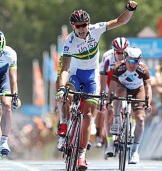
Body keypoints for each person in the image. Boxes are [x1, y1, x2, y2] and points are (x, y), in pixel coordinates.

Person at [55, 1, 138, 170]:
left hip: (92, 76)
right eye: (78, 26)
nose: (81, 28)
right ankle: (64, 123)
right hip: (75, 75)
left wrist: (130, 10)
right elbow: (64, 69)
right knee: (67, 95)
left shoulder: (96, 29)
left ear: (88, 23)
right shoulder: (69, 42)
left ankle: (81, 155)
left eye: (84, 24)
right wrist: (62, 87)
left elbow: (120, 21)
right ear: (73, 26)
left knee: (87, 116)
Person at [106, 47, 152, 164]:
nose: (132, 65)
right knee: (119, 93)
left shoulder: (143, 69)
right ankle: (116, 121)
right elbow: (112, 85)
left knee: (140, 119)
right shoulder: (119, 67)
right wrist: (109, 98)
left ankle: (135, 151)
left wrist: (148, 102)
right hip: (122, 87)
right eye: (130, 61)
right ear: (125, 59)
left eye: (135, 61)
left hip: (137, 89)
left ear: (139, 61)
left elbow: (148, 87)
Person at [100, 37, 130, 155]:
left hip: (126, 80)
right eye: (118, 52)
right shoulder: (107, 57)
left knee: (132, 101)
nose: (121, 55)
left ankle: (129, 129)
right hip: (110, 79)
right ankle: (110, 144)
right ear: (113, 52)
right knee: (108, 111)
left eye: (123, 52)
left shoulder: (131, 57)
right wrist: (103, 94)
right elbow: (103, 76)